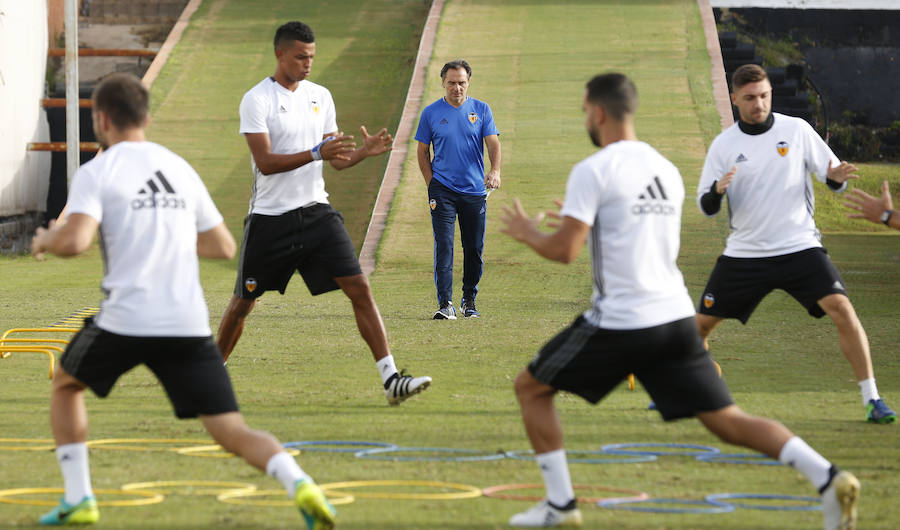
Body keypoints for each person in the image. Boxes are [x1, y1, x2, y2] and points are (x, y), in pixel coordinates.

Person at [499, 72, 859, 529]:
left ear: (599, 111)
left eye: (585, 111)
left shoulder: (594, 169)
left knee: (531, 387)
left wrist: (531, 233)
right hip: (674, 319)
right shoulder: (664, 169)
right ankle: (829, 477)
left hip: (622, 321)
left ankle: (561, 507)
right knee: (727, 420)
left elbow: (564, 251)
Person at [30, 73, 335, 529]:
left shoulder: (100, 169)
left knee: (66, 385)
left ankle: (79, 499)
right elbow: (223, 246)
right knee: (231, 431)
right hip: (187, 324)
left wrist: (46, 239)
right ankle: (300, 482)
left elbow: (75, 241)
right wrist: (164, 236)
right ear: (147, 118)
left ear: (102, 119)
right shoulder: (178, 167)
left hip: (127, 319)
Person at [218, 21, 431, 405]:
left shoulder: (321, 96)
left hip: (317, 212)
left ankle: (391, 379)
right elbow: (265, 162)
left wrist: (362, 153)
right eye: (300, 56)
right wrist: (316, 152)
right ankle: (209, 379)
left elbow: (336, 160)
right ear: (280, 54)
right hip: (270, 218)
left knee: (360, 288)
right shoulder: (257, 100)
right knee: (243, 303)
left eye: (312, 57)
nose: (308, 63)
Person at [695, 64, 895, 424]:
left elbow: (835, 178)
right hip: (746, 253)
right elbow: (706, 207)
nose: (759, 103)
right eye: (751, 98)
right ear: (734, 98)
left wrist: (835, 178)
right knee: (697, 330)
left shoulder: (797, 130)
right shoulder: (724, 145)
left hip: (799, 246)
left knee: (842, 309)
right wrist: (716, 191)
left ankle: (872, 399)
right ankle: (692, 388)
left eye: (764, 95)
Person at [415, 59, 501, 319]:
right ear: (443, 82)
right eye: (451, 82)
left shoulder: (481, 110)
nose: (456, 87)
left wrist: (495, 171)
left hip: (474, 191)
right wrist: (432, 183)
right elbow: (422, 151)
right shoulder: (430, 113)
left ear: (468, 82)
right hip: (442, 189)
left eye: (461, 82)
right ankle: (445, 304)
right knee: (444, 245)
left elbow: (493, 144)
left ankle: (469, 300)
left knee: (474, 247)